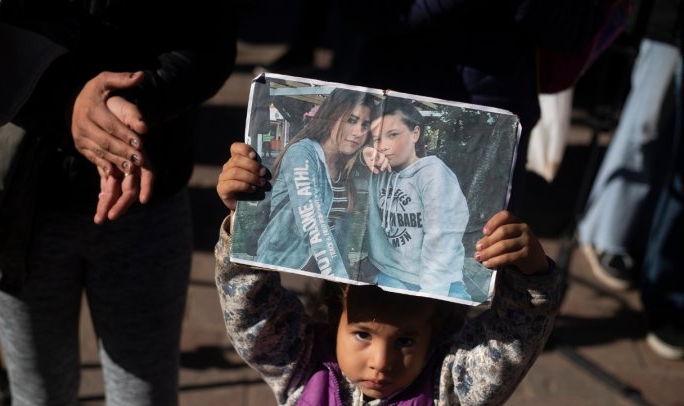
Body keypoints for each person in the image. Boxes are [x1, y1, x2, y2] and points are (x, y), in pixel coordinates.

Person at [0, 1, 237, 406]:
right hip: (18, 202)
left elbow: (212, 42)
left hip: (147, 197)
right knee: (39, 399)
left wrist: (128, 112)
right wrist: (66, 102)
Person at [215, 142, 561, 406]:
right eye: (362, 334)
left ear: (436, 331)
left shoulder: (447, 394)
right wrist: (245, 222)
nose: (381, 362)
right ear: (337, 311)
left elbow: (510, 340)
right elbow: (251, 310)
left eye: (406, 341)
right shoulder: (302, 366)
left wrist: (531, 275)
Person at [333, 0, 607, 215]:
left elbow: (572, 29)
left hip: (487, 125)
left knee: (461, 262)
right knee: (355, 262)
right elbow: (363, 11)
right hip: (387, 96)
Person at [576, 0, 683, 359]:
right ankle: (608, 234)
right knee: (646, 125)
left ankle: (642, 248)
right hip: (668, 25)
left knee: (667, 148)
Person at [253, 88, 379, 279]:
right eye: (351, 120)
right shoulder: (302, 153)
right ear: (332, 116)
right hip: (284, 265)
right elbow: (312, 225)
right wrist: (339, 279)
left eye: (365, 125)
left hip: (320, 271)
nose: (358, 132)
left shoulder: (346, 164)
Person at [361, 97, 470, 300]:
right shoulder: (377, 170)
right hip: (388, 275)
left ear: (415, 133)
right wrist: (363, 153)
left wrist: (428, 297)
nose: (383, 146)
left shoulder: (434, 175)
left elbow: (441, 242)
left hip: (440, 282)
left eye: (392, 135)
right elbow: (341, 162)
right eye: (376, 139)